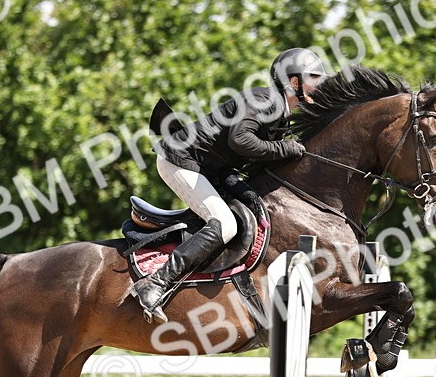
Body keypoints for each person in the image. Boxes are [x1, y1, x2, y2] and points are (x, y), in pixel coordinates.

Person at [131, 47, 329, 323]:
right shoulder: (265, 100)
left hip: (212, 168)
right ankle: (155, 283)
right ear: (293, 81)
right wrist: (286, 149)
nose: (319, 85)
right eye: (314, 78)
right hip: (181, 159)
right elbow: (241, 140)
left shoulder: (282, 115)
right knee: (225, 224)